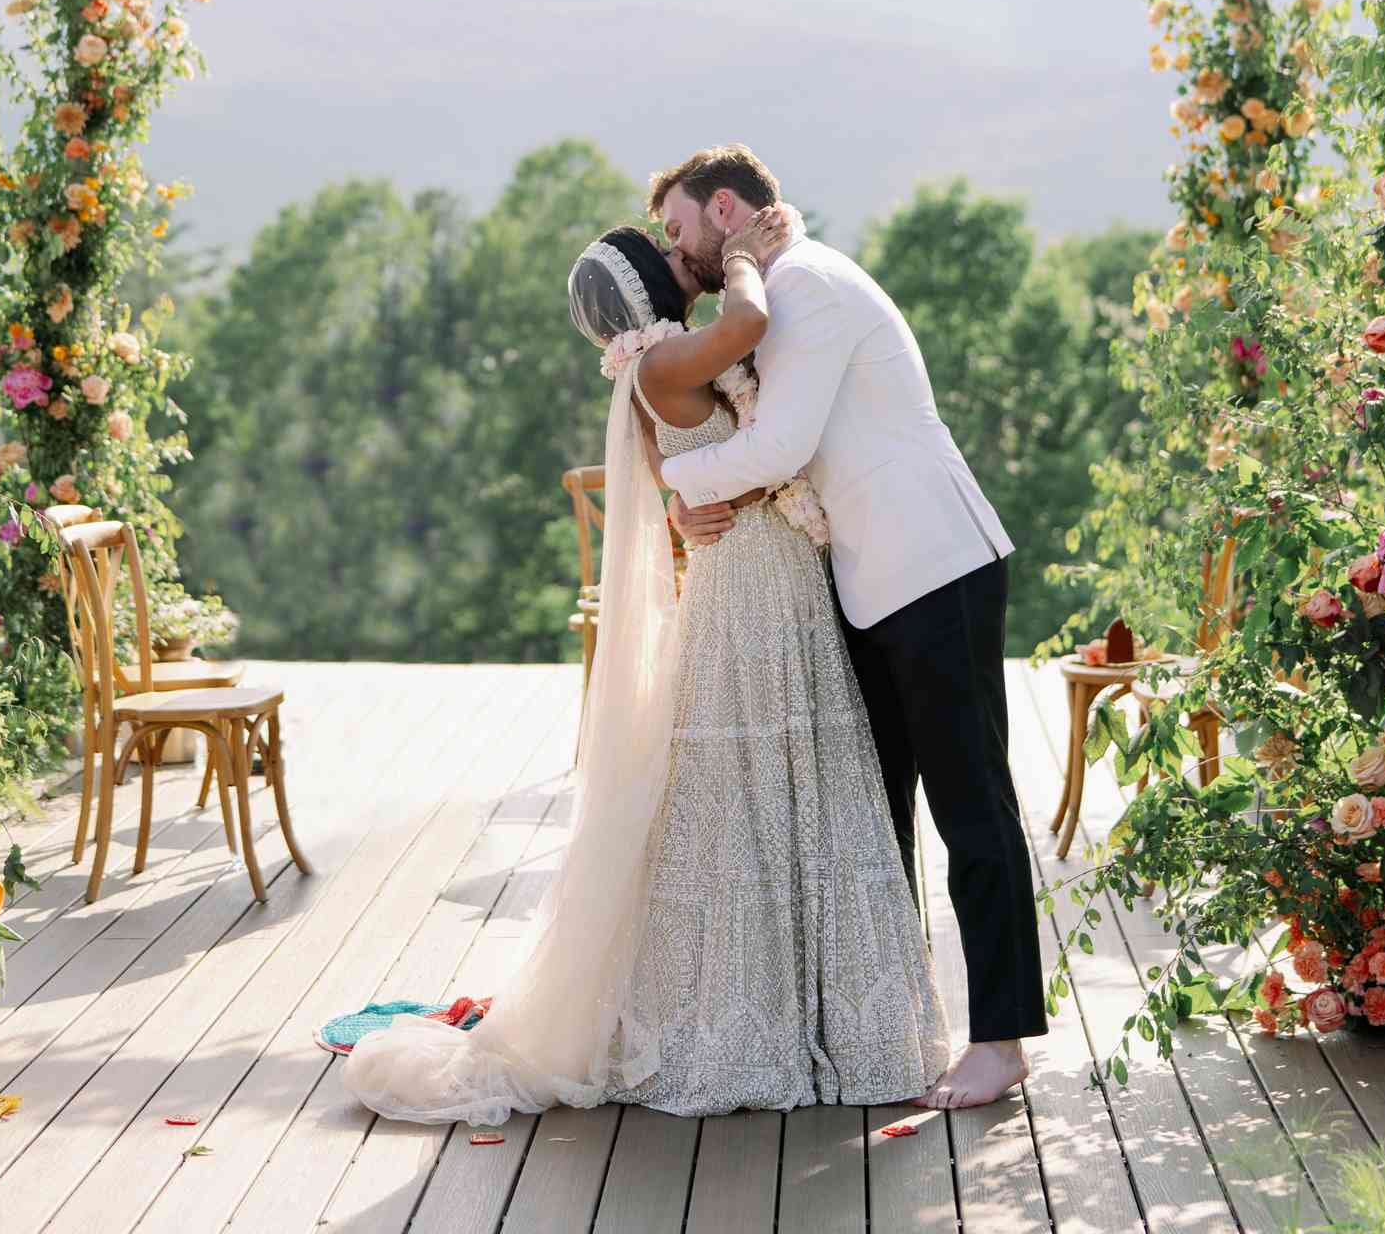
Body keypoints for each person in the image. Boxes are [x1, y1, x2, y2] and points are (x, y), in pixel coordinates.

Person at [340, 210, 947, 1126]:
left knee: (790, 784)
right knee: (747, 789)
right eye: (666, 255)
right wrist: (745, 256)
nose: (681, 258)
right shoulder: (664, 360)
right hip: (749, 583)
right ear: (642, 291)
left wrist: (688, 494)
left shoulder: (662, 357)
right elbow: (747, 329)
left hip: (767, 566)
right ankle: (744, 1021)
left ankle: (812, 1011)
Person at [655, 145, 1046, 1110]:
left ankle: (1002, 1039)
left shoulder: (812, 288)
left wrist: (675, 485)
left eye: (680, 229)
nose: (678, 252)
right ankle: (888, 1026)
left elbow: (781, 444)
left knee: (971, 805)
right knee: (875, 817)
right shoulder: (774, 288)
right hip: (869, 584)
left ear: (728, 208)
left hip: (934, 566)